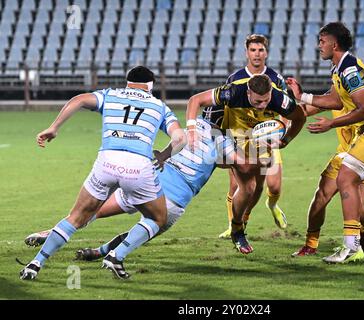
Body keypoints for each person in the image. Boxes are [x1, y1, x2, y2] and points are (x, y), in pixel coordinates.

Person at [20, 66, 186, 280]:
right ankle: (117, 256)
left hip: (107, 162)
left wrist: (54, 127)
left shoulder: (110, 95)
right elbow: (180, 138)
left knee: (76, 218)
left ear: (128, 81)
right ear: (151, 85)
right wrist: (163, 156)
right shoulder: (160, 107)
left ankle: (36, 263)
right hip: (138, 166)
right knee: (158, 218)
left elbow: (78, 100)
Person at [25, 117, 241, 264]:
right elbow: (235, 162)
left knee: (94, 210)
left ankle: (50, 234)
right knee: (140, 232)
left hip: (148, 183)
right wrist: (257, 145)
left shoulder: (195, 126)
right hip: (173, 198)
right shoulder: (225, 140)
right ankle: (102, 252)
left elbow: (176, 144)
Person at [287, 22, 364, 264]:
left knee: (345, 179)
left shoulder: (349, 69)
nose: (319, 46)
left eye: (322, 41)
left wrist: (331, 124)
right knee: (325, 190)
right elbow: (335, 101)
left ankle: (352, 246)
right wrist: (301, 96)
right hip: (359, 139)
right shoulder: (338, 69)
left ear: (334, 44)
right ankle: (312, 244)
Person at [187, 74, 306, 254]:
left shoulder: (280, 99)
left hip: (261, 143)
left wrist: (287, 139)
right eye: (257, 102)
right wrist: (191, 129)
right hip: (234, 140)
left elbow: (300, 118)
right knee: (248, 187)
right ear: (248, 92)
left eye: (265, 101)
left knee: (258, 188)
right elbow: (195, 100)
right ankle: (237, 229)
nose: (262, 105)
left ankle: (243, 219)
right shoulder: (233, 91)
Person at [203, 34, 289, 239]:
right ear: (247, 52)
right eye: (253, 50)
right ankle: (235, 225)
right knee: (236, 186)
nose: (257, 54)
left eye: (260, 50)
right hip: (239, 140)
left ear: (266, 52)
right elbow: (223, 107)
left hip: (265, 139)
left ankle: (272, 204)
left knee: (273, 186)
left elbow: (287, 110)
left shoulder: (276, 79)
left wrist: (282, 132)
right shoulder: (235, 78)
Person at [291, 104, 364, 257]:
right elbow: (307, 109)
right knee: (321, 196)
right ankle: (310, 245)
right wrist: (284, 110)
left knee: (356, 208)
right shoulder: (338, 95)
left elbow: (363, 112)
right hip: (345, 154)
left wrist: (331, 123)